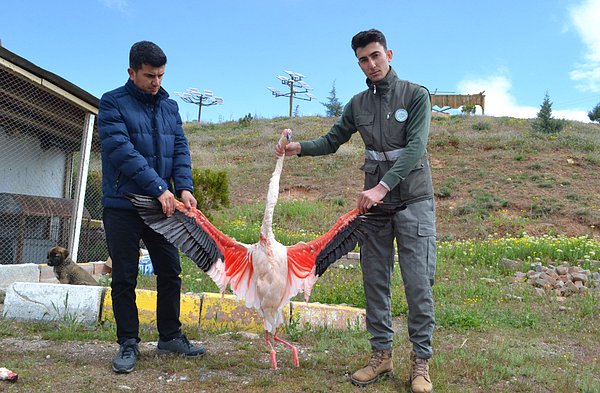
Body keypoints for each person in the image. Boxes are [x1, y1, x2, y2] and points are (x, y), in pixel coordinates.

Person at [275, 29, 436, 393]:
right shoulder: (358, 104)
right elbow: (333, 140)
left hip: (413, 201)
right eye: (363, 59)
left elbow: (415, 149)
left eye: (376, 55)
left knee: (418, 285)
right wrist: (296, 148)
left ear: (389, 54)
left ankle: (420, 363)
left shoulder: (415, 95)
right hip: (376, 212)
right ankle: (381, 356)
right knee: (375, 283)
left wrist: (380, 187)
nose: (371, 64)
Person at [98, 40, 205, 374]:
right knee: (125, 276)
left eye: (160, 75)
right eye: (148, 76)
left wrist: (183, 187)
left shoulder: (170, 107)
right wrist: (160, 187)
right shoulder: (112, 103)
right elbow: (122, 151)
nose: (156, 82)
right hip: (124, 204)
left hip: (163, 207)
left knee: (170, 270)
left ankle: (170, 336)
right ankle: (128, 343)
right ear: (131, 72)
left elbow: (179, 148)